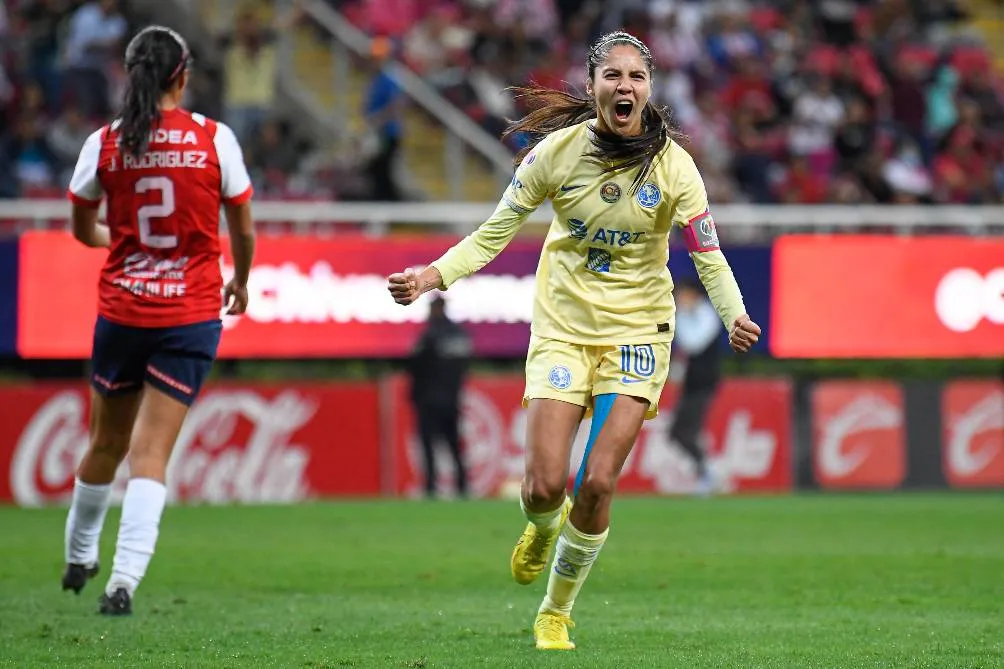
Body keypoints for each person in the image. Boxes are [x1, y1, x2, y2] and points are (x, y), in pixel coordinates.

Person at [387, 31, 761, 650]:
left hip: (639, 332)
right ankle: (539, 525)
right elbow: (493, 233)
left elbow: (709, 256)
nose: (625, 86)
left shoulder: (675, 168)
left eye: (636, 77)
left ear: (650, 89)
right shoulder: (554, 155)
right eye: (612, 76)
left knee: (598, 483)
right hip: (563, 330)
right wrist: (432, 275)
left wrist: (734, 314)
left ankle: (555, 612)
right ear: (591, 87)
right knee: (543, 486)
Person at [61, 26, 256, 616]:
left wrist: (121, 242)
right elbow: (243, 229)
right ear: (183, 74)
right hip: (190, 313)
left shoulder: (104, 142)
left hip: (122, 310)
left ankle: (77, 554)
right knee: (150, 456)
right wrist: (240, 280)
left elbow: (80, 228)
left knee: (105, 443)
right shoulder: (213, 139)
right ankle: (121, 584)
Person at [407, 295, 472, 499]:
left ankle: (431, 488)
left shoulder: (430, 335)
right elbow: (463, 366)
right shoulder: (459, 335)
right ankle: (462, 487)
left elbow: (415, 366)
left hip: (429, 401)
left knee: (429, 445)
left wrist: (416, 394)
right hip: (451, 400)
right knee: (454, 445)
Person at [667, 278, 724, 495]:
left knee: (684, 431)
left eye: (683, 295)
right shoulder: (689, 315)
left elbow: (693, 343)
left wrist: (680, 315)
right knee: (680, 432)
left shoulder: (706, 314)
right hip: (692, 383)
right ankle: (707, 472)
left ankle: (708, 474)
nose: (680, 300)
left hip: (704, 382)